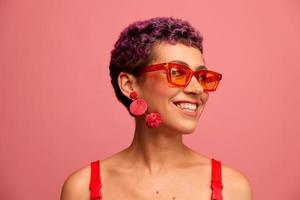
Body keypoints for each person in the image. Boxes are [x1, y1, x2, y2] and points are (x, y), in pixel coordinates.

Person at [60, 17, 252, 200]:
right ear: (129, 85)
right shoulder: (82, 188)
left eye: (201, 76)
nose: (197, 89)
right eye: (177, 72)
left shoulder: (232, 188)